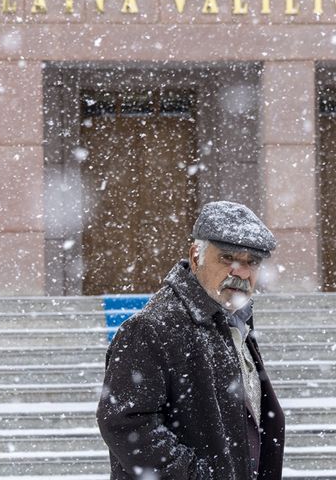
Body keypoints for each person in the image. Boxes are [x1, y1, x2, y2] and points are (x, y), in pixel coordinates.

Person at [96, 200, 285, 480]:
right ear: (195, 256)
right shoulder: (152, 327)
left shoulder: (233, 322)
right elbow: (126, 422)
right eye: (227, 258)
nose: (242, 272)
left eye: (252, 262)